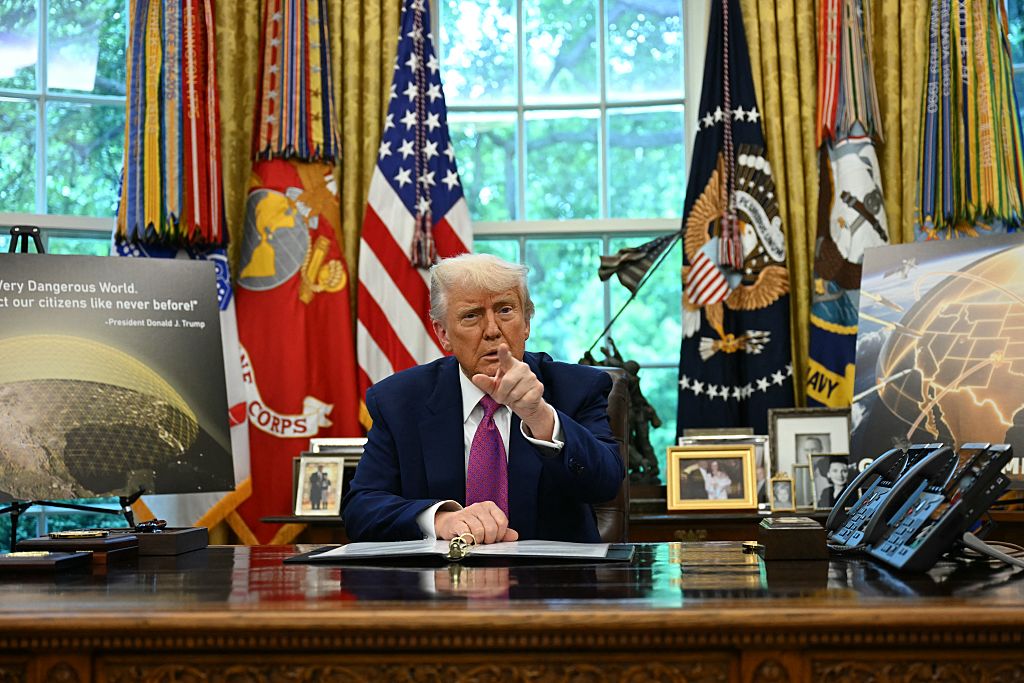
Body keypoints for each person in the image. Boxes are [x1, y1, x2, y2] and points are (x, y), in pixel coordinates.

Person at [341, 253, 624, 544]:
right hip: (440, 582)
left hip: (548, 582)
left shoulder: (578, 388)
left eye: (505, 310)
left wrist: (540, 415)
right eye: (471, 315)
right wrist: (439, 519)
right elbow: (361, 509)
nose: (492, 331)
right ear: (443, 334)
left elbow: (606, 484)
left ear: (526, 323)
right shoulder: (399, 401)